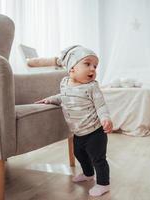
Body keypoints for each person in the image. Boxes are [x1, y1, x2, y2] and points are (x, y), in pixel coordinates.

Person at [35, 45, 112, 197]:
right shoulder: (64, 83)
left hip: (95, 132)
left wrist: (105, 118)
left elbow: (101, 104)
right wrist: (51, 99)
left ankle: (104, 183)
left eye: (95, 66)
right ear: (72, 69)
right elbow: (63, 97)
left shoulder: (92, 87)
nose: (92, 69)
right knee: (79, 153)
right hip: (78, 132)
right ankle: (88, 174)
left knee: (98, 159)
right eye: (87, 64)